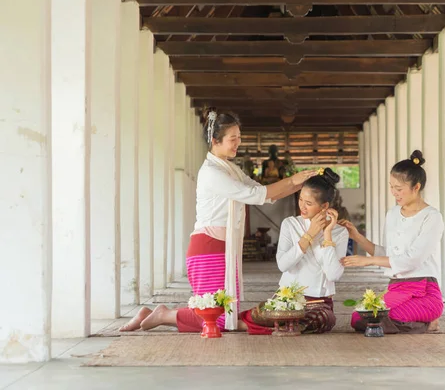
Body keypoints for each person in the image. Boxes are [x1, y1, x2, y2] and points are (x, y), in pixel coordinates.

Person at [120, 109, 317, 333]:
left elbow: (263, 193)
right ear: (215, 140)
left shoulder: (230, 168)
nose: (238, 144)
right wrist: (292, 179)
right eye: (233, 139)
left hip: (224, 246)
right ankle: (164, 315)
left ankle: (156, 314)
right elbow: (255, 195)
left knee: (225, 314)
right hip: (208, 245)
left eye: (239, 138)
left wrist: (301, 184)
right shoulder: (212, 172)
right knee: (218, 317)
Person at [339, 150, 444, 334]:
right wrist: (356, 236)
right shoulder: (393, 213)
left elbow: (411, 259)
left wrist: (368, 261)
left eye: (399, 188)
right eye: (391, 186)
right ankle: (423, 323)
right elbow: (388, 254)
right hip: (396, 288)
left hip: (424, 291)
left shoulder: (432, 217)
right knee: (359, 317)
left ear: (416, 187)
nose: (394, 193)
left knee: (387, 316)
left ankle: (429, 322)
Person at [240, 168, 349, 334]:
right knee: (263, 312)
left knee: (323, 318)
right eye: (300, 200)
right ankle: (281, 324)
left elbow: (333, 274)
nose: (302, 207)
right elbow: (283, 265)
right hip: (286, 298)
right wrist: (309, 235)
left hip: (318, 302)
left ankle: (279, 325)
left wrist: (327, 234)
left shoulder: (339, 232)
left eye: (309, 203)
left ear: (324, 206)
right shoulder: (290, 224)